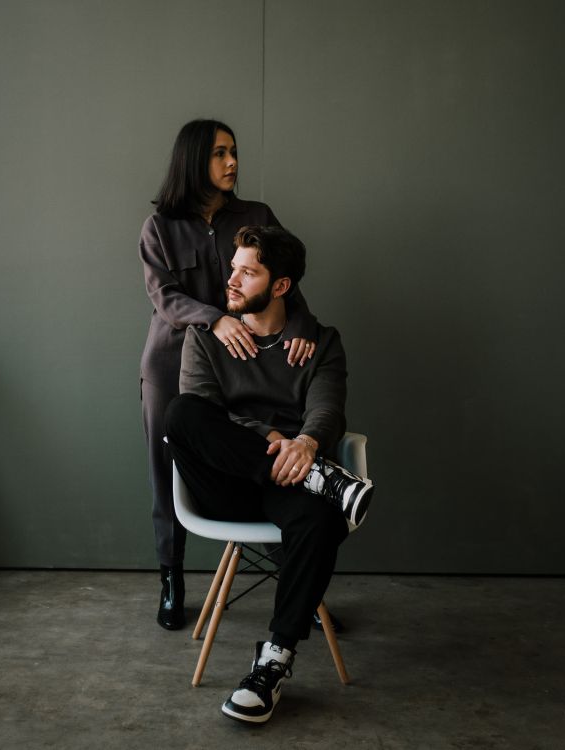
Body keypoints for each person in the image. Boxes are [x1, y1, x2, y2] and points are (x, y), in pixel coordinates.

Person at [165, 226, 373, 724]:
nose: (232, 280)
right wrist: (273, 439)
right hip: (225, 483)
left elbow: (327, 410)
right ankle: (321, 478)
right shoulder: (205, 338)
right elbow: (206, 413)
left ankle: (273, 663)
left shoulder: (320, 343)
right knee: (181, 414)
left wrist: (306, 443)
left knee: (321, 521)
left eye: (248, 272)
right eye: (233, 268)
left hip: (287, 481)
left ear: (281, 286)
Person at [138, 119, 318, 631]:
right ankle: (171, 578)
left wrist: (300, 327)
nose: (232, 162)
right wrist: (215, 318)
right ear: (194, 159)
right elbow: (164, 297)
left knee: (262, 446)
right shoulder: (159, 227)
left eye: (234, 151)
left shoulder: (256, 215)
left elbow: (286, 279)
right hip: (172, 360)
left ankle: (295, 575)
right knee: (166, 466)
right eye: (220, 153)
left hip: (247, 361)